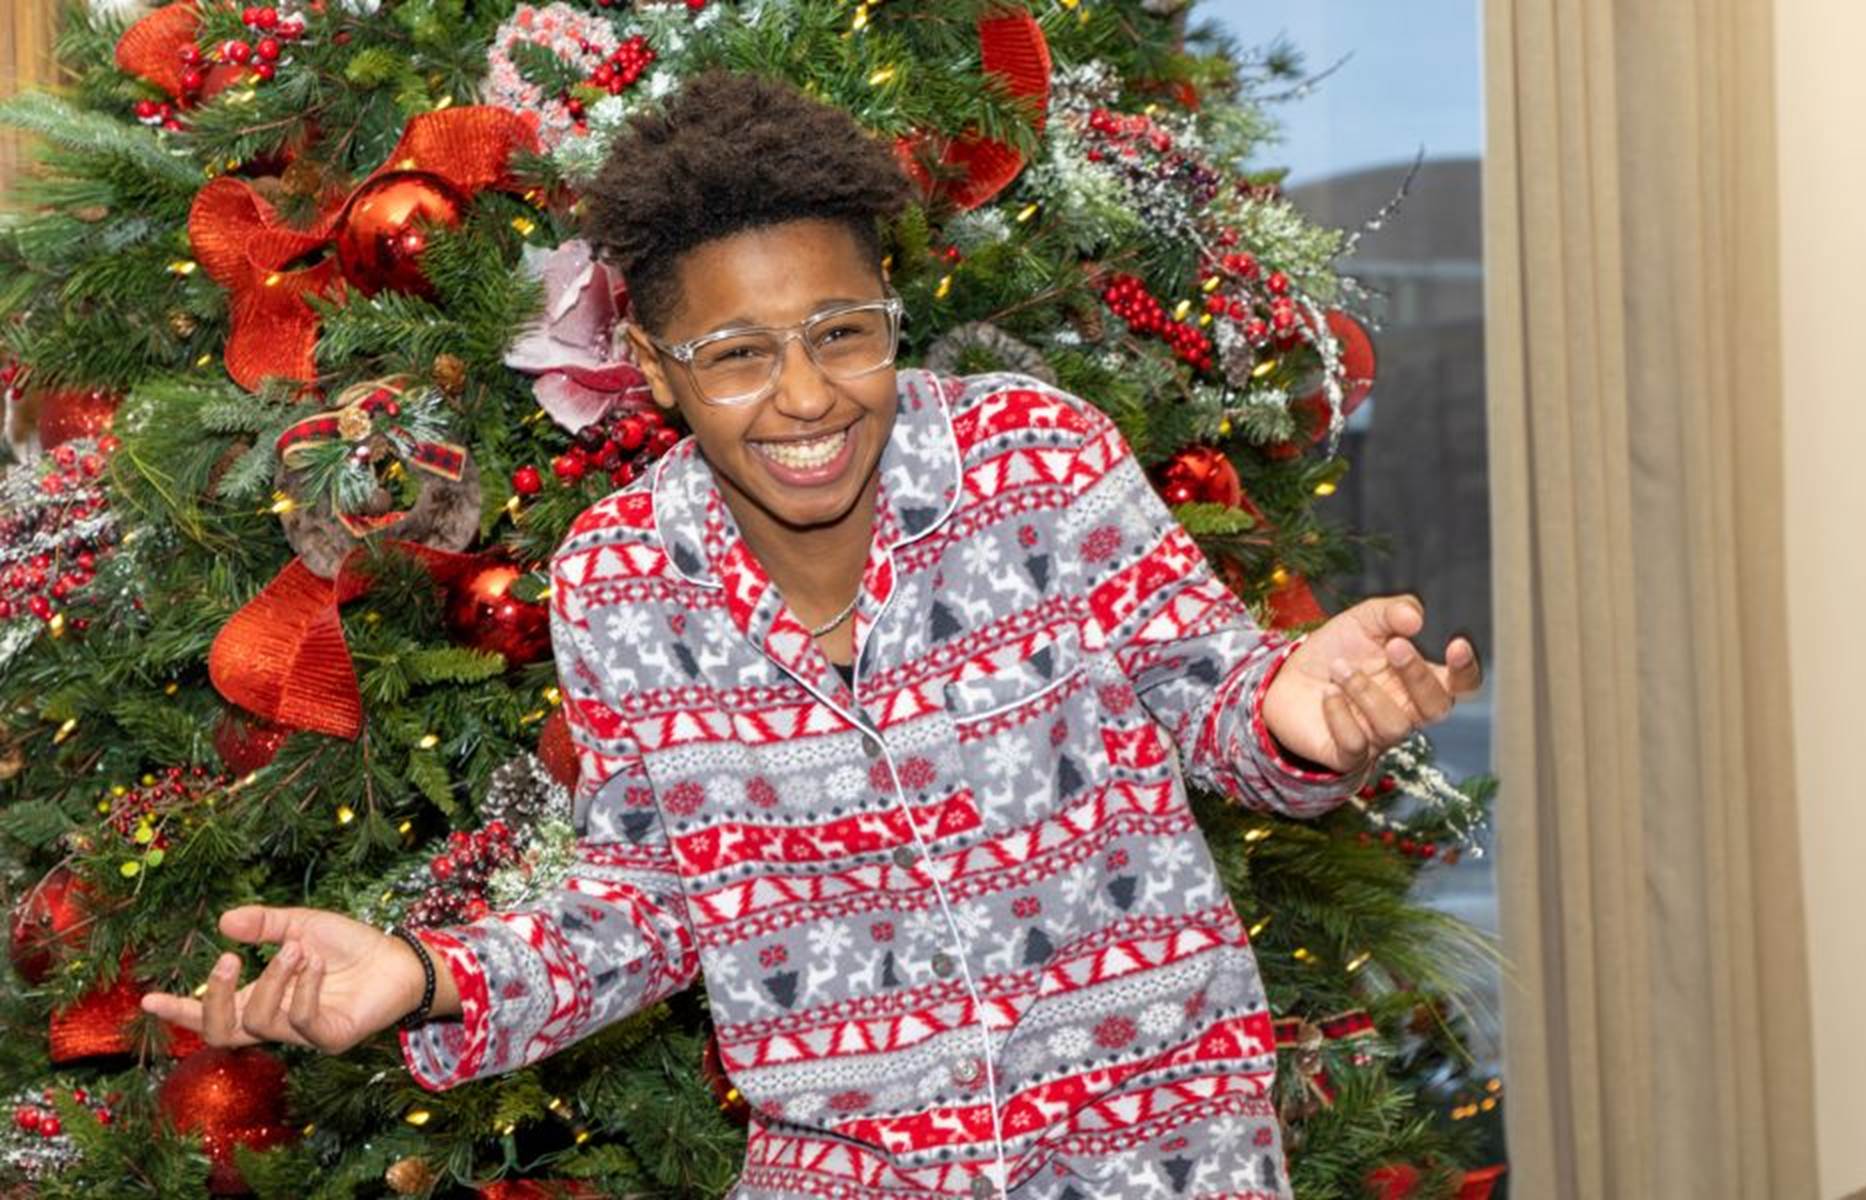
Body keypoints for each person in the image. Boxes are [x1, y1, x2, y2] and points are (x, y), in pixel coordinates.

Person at [141, 72, 1481, 1199]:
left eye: (840, 333)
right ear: (657, 371)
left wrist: (1297, 721)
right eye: (732, 353)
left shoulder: (1038, 461)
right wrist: (426, 976)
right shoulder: (622, 579)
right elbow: (650, 904)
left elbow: (1228, 704)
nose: (803, 396)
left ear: (890, 312)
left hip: (1167, 1158)